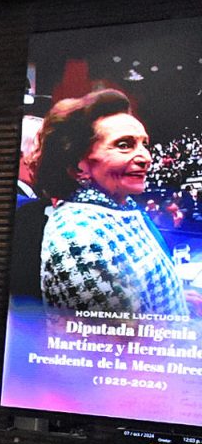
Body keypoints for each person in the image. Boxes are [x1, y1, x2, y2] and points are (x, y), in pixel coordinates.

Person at [31, 88, 188, 315]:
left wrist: (180, 300)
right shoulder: (79, 237)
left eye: (145, 144)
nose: (146, 157)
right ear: (77, 166)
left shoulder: (119, 208)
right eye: (124, 145)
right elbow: (123, 343)